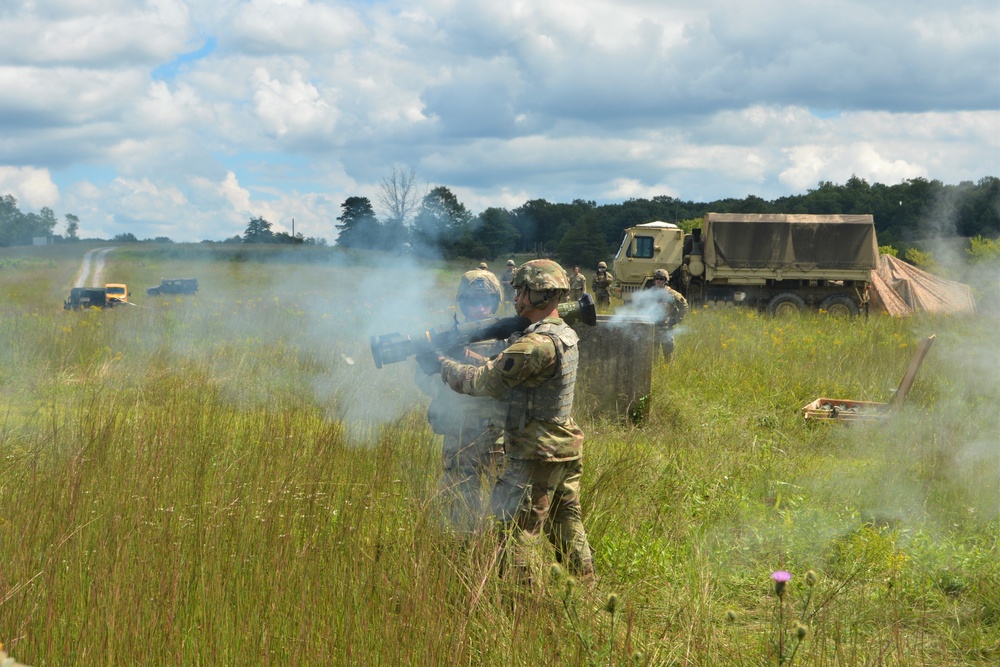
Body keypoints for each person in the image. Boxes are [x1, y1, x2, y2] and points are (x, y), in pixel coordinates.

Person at [433, 259, 594, 581]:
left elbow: (483, 383)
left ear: (541, 295)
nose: (517, 298)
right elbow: (505, 370)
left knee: (514, 533)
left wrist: (441, 363)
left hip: (535, 451)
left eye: (523, 291)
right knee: (566, 523)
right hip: (561, 445)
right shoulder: (561, 332)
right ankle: (586, 588)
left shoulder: (534, 343)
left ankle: (517, 603)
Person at [414, 269, 505, 532]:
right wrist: (442, 377)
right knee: (458, 497)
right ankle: (462, 550)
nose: (480, 308)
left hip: (498, 431)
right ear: (463, 304)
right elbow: (422, 378)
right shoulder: (446, 336)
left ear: (495, 302)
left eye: (486, 301)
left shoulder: (509, 335)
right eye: (473, 302)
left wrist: (469, 362)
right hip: (459, 429)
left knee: (503, 500)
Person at [648, 268, 689, 361]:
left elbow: (684, 305)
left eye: (661, 279)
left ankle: (668, 370)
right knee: (652, 355)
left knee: (668, 353)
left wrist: (676, 319)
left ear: (666, 280)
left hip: (666, 327)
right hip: (652, 328)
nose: (658, 281)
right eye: (656, 278)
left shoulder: (672, 294)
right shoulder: (650, 293)